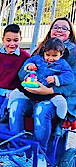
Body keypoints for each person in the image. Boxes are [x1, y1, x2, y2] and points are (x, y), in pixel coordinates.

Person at [9, 17, 76, 154]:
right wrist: (29, 72)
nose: (59, 30)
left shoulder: (73, 54)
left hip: (59, 97)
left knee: (41, 110)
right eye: (56, 27)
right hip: (33, 94)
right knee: (15, 106)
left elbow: (72, 83)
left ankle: (40, 154)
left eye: (64, 28)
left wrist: (49, 89)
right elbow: (22, 73)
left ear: (70, 33)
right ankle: (17, 151)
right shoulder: (41, 50)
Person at [0, 37, 74, 136]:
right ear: (44, 51)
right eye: (47, 55)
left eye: (54, 56)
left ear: (61, 54)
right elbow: (26, 65)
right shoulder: (37, 59)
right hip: (32, 89)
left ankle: (60, 123)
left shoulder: (62, 64)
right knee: (14, 94)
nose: (50, 58)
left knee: (62, 103)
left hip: (48, 93)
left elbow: (70, 77)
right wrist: (29, 66)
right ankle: (7, 113)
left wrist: (56, 79)